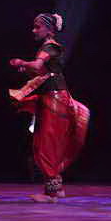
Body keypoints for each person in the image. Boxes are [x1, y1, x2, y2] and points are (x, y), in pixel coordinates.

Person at [9, 13, 89, 203]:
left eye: (38, 27)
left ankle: (51, 194)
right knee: (48, 143)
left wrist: (21, 62)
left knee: (46, 144)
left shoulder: (49, 47)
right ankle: (56, 188)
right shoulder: (49, 48)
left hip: (55, 99)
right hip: (52, 97)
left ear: (49, 29)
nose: (34, 30)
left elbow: (37, 65)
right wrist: (27, 68)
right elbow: (42, 70)